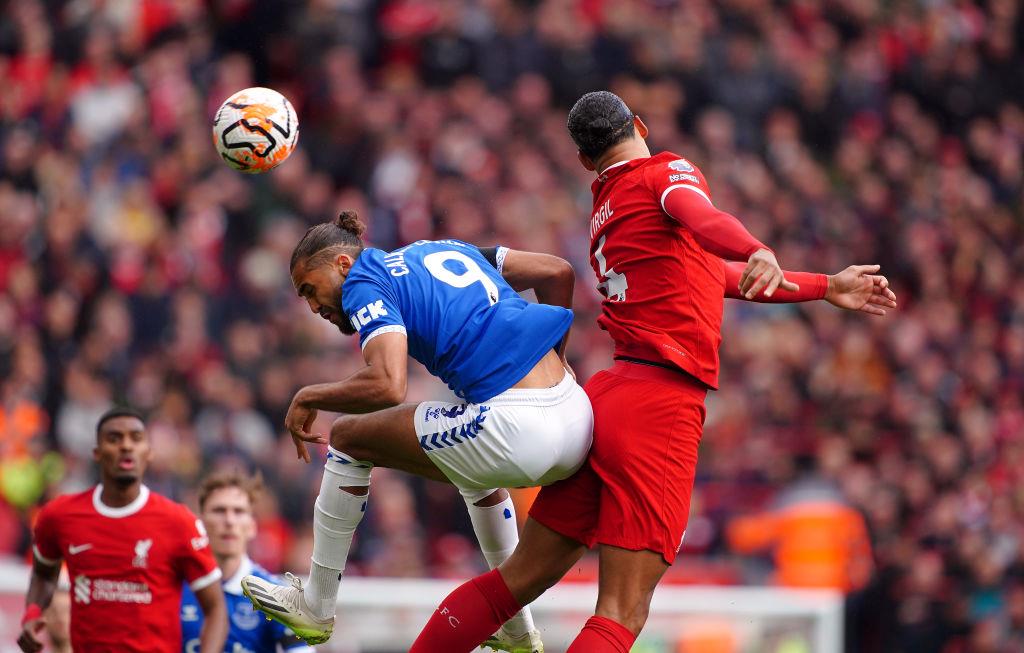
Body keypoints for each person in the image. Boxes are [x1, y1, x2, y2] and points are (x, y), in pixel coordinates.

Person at [409, 90, 898, 652]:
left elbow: (718, 274)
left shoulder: (607, 211)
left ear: (585, 161)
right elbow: (704, 217)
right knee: (623, 612)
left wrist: (826, 286)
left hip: (609, 397)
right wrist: (757, 245)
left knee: (514, 583)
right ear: (639, 124)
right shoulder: (664, 171)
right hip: (660, 405)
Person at [240, 212, 593, 653]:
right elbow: (557, 271)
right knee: (469, 466)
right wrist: (552, 362)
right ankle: (519, 632)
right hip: (576, 417)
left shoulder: (364, 283)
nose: (313, 307)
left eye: (310, 290)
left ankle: (315, 605)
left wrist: (309, 396)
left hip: (518, 427)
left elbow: (389, 384)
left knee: (348, 438)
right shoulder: (442, 248)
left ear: (343, 265)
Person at [19, 407, 228, 653]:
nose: (126, 446)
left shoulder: (178, 522)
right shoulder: (60, 516)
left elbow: (215, 609)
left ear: (148, 453)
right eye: (114, 438)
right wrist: (32, 612)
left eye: (136, 438)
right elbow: (44, 573)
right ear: (97, 452)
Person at [181, 470, 314, 653]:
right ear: (200, 523)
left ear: (252, 526)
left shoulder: (278, 596)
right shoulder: (175, 587)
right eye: (219, 511)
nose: (229, 521)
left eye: (238, 511)